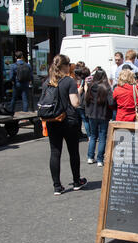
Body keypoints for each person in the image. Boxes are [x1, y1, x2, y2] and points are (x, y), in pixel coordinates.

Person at [43, 54, 87, 195]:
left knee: (55, 152)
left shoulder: (47, 82)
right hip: (68, 121)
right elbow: (75, 103)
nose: (70, 67)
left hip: (52, 120)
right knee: (73, 152)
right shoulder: (69, 81)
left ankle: (57, 186)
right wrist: (79, 92)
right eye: (69, 65)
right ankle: (76, 181)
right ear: (65, 66)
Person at [85, 68, 114, 167]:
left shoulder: (90, 86)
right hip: (103, 115)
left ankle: (90, 157)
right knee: (102, 137)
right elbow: (111, 102)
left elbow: (86, 100)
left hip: (92, 114)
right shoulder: (107, 88)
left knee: (93, 136)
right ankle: (100, 159)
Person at [75, 66, 91, 140]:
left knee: (80, 120)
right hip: (83, 102)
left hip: (78, 102)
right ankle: (89, 135)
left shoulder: (77, 81)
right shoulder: (86, 81)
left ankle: (79, 134)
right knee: (86, 120)